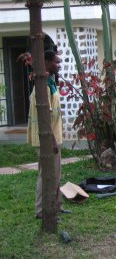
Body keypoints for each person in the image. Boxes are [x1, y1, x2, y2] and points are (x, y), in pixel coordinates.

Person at [27, 50, 70, 219]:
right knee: (46, 175)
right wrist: (52, 142)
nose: (58, 65)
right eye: (56, 62)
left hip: (54, 137)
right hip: (46, 139)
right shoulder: (42, 86)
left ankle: (57, 206)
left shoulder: (50, 83)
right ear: (46, 62)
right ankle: (41, 210)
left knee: (56, 173)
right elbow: (44, 118)